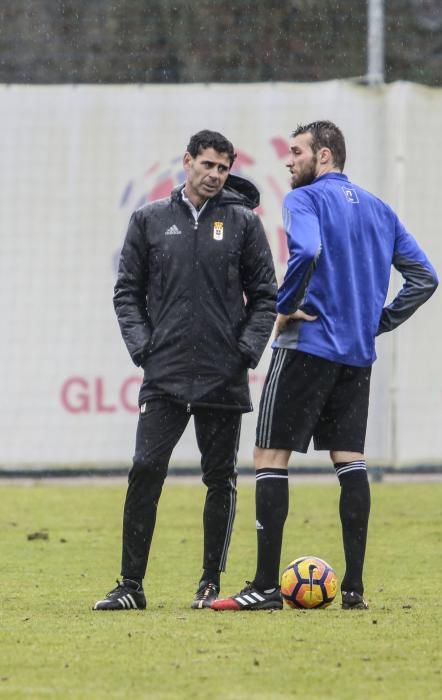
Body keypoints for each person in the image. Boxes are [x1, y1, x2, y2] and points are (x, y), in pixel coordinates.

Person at [211, 120, 438, 612]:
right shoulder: (380, 209)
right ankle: (353, 590)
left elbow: (308, 249)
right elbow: (425, 278)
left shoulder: (304, 200)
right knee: (350, 462)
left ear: (325, 156)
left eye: (296, 151)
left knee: (270, 458)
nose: (288, 160)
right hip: (356, 357)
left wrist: (284, 305)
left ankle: (266, 587)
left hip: (306, 346)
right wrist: (375, 322)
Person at [93, 130, 277, 611]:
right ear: (187, 162)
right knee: (145, 470)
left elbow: (265, 297)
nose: (215, 175)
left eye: (223, 168)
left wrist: (244, 351)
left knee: (220, 479)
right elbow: (126, 294)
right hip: (166, 373)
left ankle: (209, 584)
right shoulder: (149, 220)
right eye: (208, 165)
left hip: (223, 374)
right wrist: (144, 349)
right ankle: (131, 586)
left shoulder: (242, 223)